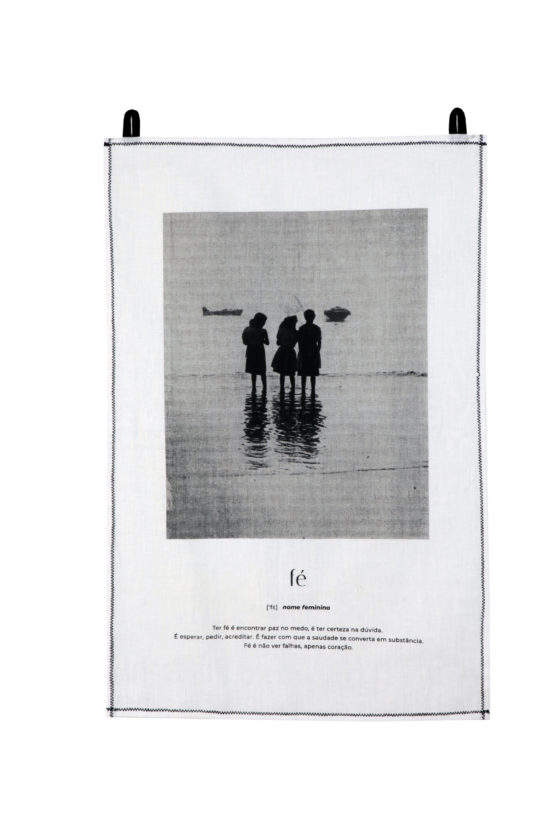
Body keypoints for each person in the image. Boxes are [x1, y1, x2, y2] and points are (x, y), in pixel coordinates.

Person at [242, 312, 269, 394]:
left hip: (250, 350)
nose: (264, 323)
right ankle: (265, 388)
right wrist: (262, 340)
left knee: (253, 371)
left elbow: (245, 342)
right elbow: (267, 342)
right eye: (263, 322)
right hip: (259, 351)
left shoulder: (247, 329)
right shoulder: (263, 331)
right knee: (262, 371)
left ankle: (253, 388)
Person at [297, 309, 321, 396]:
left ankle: (303, 390)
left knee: (303, 373)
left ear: (305, 317)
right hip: (314, 351)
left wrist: (301, 352)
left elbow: (299, 343)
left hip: (304, 351)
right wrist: (317, 352)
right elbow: (319, 343)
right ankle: (313, 390)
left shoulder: (301, 328)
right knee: (313, 374)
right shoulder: (317, 328)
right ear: (313, 317)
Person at [271, 315, 298, 394]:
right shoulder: (295, 332)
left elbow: (278, 342)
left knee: (282, 372)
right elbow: (295, 341)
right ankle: (293, 387)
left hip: (282, 351)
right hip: (291, 352)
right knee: (291, 372)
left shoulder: (282, 330)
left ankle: (282, 388)